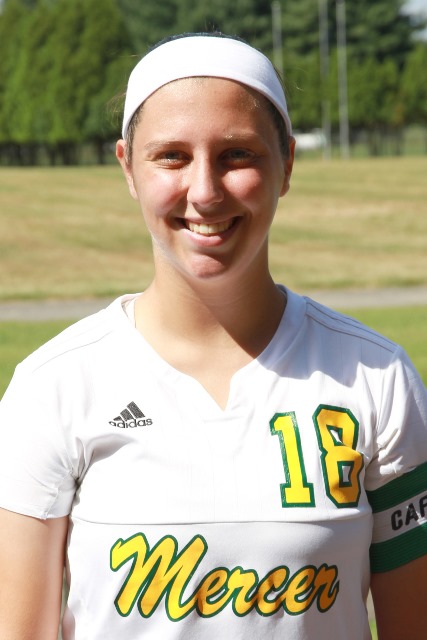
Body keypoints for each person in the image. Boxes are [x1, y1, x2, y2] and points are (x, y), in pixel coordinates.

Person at [0, 32, 427, 640]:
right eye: (171, 156)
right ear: (127, 167)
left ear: (286, 164)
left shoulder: (376, 378)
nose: (204, 191)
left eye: (237, 155)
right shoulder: (54, 387)